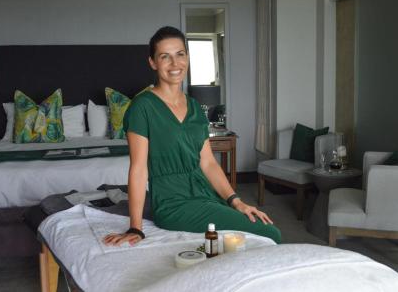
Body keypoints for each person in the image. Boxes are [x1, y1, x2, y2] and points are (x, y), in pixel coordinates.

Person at [103, 26, 281, 246]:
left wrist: (237, 202)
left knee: (255, 224)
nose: (175, 64)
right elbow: (138, 169)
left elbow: (208, 163)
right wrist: (135, 227)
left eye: (180, 54)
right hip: (174, 204)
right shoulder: (142, 107)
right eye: (165, 57)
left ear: (187, 57)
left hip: (204, 194)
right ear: (153, 63)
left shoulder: (195, 107)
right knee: (270, 233)